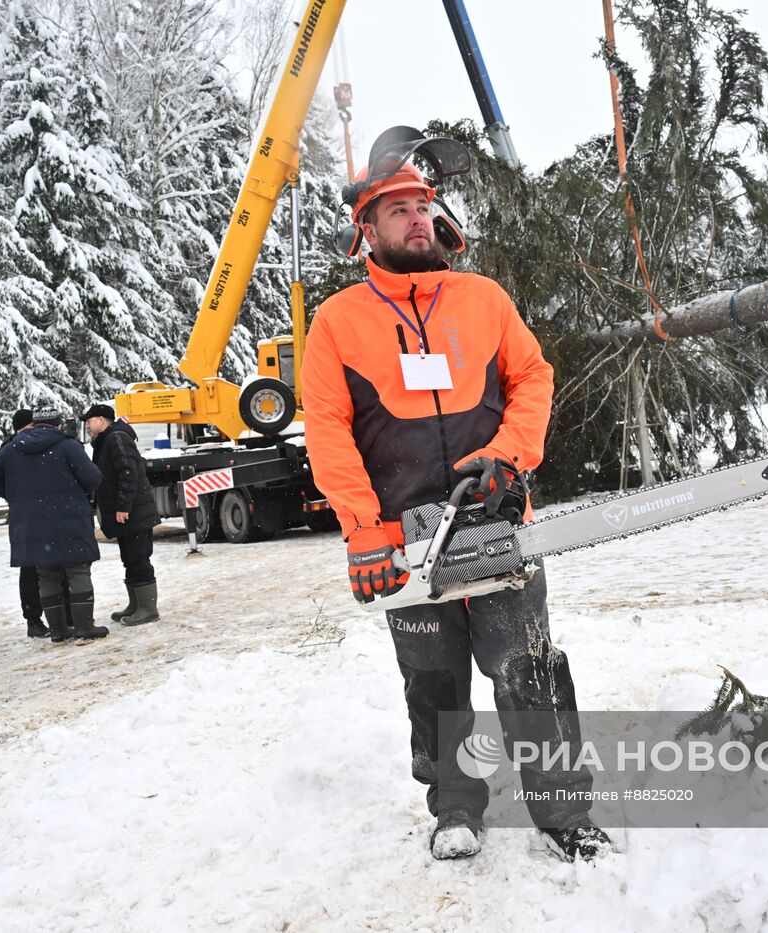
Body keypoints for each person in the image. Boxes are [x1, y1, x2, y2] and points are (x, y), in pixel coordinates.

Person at [300, 139, 611, 863]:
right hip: (404, 542)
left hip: (498, 522)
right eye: (398, 210)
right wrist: (363, 529)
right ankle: (456, 805)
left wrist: (509, 455)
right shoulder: (339, 321)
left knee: (527, 668)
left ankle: (564, 811)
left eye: (423, 206)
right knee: (434, 682)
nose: (415, 219)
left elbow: (533, 378)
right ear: (367, 229)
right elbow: (329, 428)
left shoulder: (483, 299)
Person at [0, 411, 109, 644]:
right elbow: (93, 478)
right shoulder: (68, 446)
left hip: (31, 523)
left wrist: (13, 494)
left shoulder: (12, 448)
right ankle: (83, 627)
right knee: (77, 570)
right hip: (69, 518)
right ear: (58, 426)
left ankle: (59, 632)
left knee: (47, 574)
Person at [82, 403, 162, 626]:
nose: (87, 425)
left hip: (134, 513)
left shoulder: (116, 438)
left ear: (101, 420)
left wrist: (123, 506)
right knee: (130, 559)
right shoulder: (108, 439)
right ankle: (136, 604)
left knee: (139, 559)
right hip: (129, 515)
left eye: (89, 420)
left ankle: (148, 608)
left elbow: (129, 473)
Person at [0, 409, 49, 637]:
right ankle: (36, 619)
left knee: (37, 568)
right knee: (33, 570)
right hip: (33, 514)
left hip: (27, 515)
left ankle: (39, 619)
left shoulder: (8, 449)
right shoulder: (11, 449)